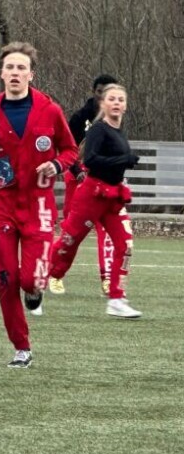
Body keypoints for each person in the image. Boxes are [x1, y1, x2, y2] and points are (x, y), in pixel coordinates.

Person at [0, 41, 78, 369]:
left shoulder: (49, 111)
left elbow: (70, 151)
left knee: (29, 280)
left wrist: (56, 165)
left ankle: (35, 291)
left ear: (31, 74)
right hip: (1, 206)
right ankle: (21, 348)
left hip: (38, 207)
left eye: (21, 68)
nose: (15, 73)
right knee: (6, 278)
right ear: (1, 73)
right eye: (10, 67)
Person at [49, 84, 141, 318]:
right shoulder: (98, 129)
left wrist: (124, 163)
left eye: (121, 99)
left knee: (125, 246)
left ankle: (117, 298)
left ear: (126, 105)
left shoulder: (120, 130)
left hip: (114, 196)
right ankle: (45, 272)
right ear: (104, 103)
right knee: (69, 241)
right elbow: (91, 159)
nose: (117, 103)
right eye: (112, 99)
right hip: (92, 194)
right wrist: (124, 159)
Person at [49, 74, 120, 296]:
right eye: (101, 91)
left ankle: (108, 279)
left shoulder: (114, 119)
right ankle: (54, 273)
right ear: (94, 92)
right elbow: (67, 150)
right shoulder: (80, 118)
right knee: (72, 232)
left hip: (105, 183)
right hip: (79, 179)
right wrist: (77, 171)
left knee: (107, 232)